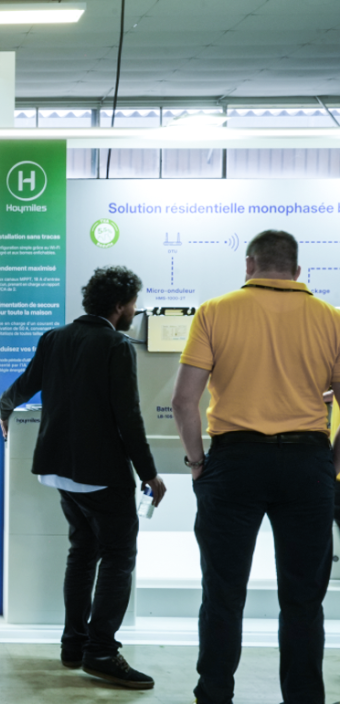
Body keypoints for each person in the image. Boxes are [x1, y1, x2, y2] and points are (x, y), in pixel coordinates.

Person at [172, 230, 340, 704]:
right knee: (304, 599)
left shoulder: (215, 311)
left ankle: (214, 695)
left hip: (235, 462)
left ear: (249, 265)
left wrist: (197, 463)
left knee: (223, 593)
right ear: (298, 270)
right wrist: (331, 463)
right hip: (307, 463)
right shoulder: (331, 319)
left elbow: (183, 401)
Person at [0, 265, 164, 690]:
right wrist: (149, 473)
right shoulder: (115, 344)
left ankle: (74, 645)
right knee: (119, 557)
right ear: (119, 305)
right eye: (133, 304)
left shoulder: (54, 338)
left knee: (82, 552)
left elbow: (22, 387)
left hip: (58, 472)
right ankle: (102, 652)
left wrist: (4, 409)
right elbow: (128, 417)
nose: (135, 312)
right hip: (100, 475)